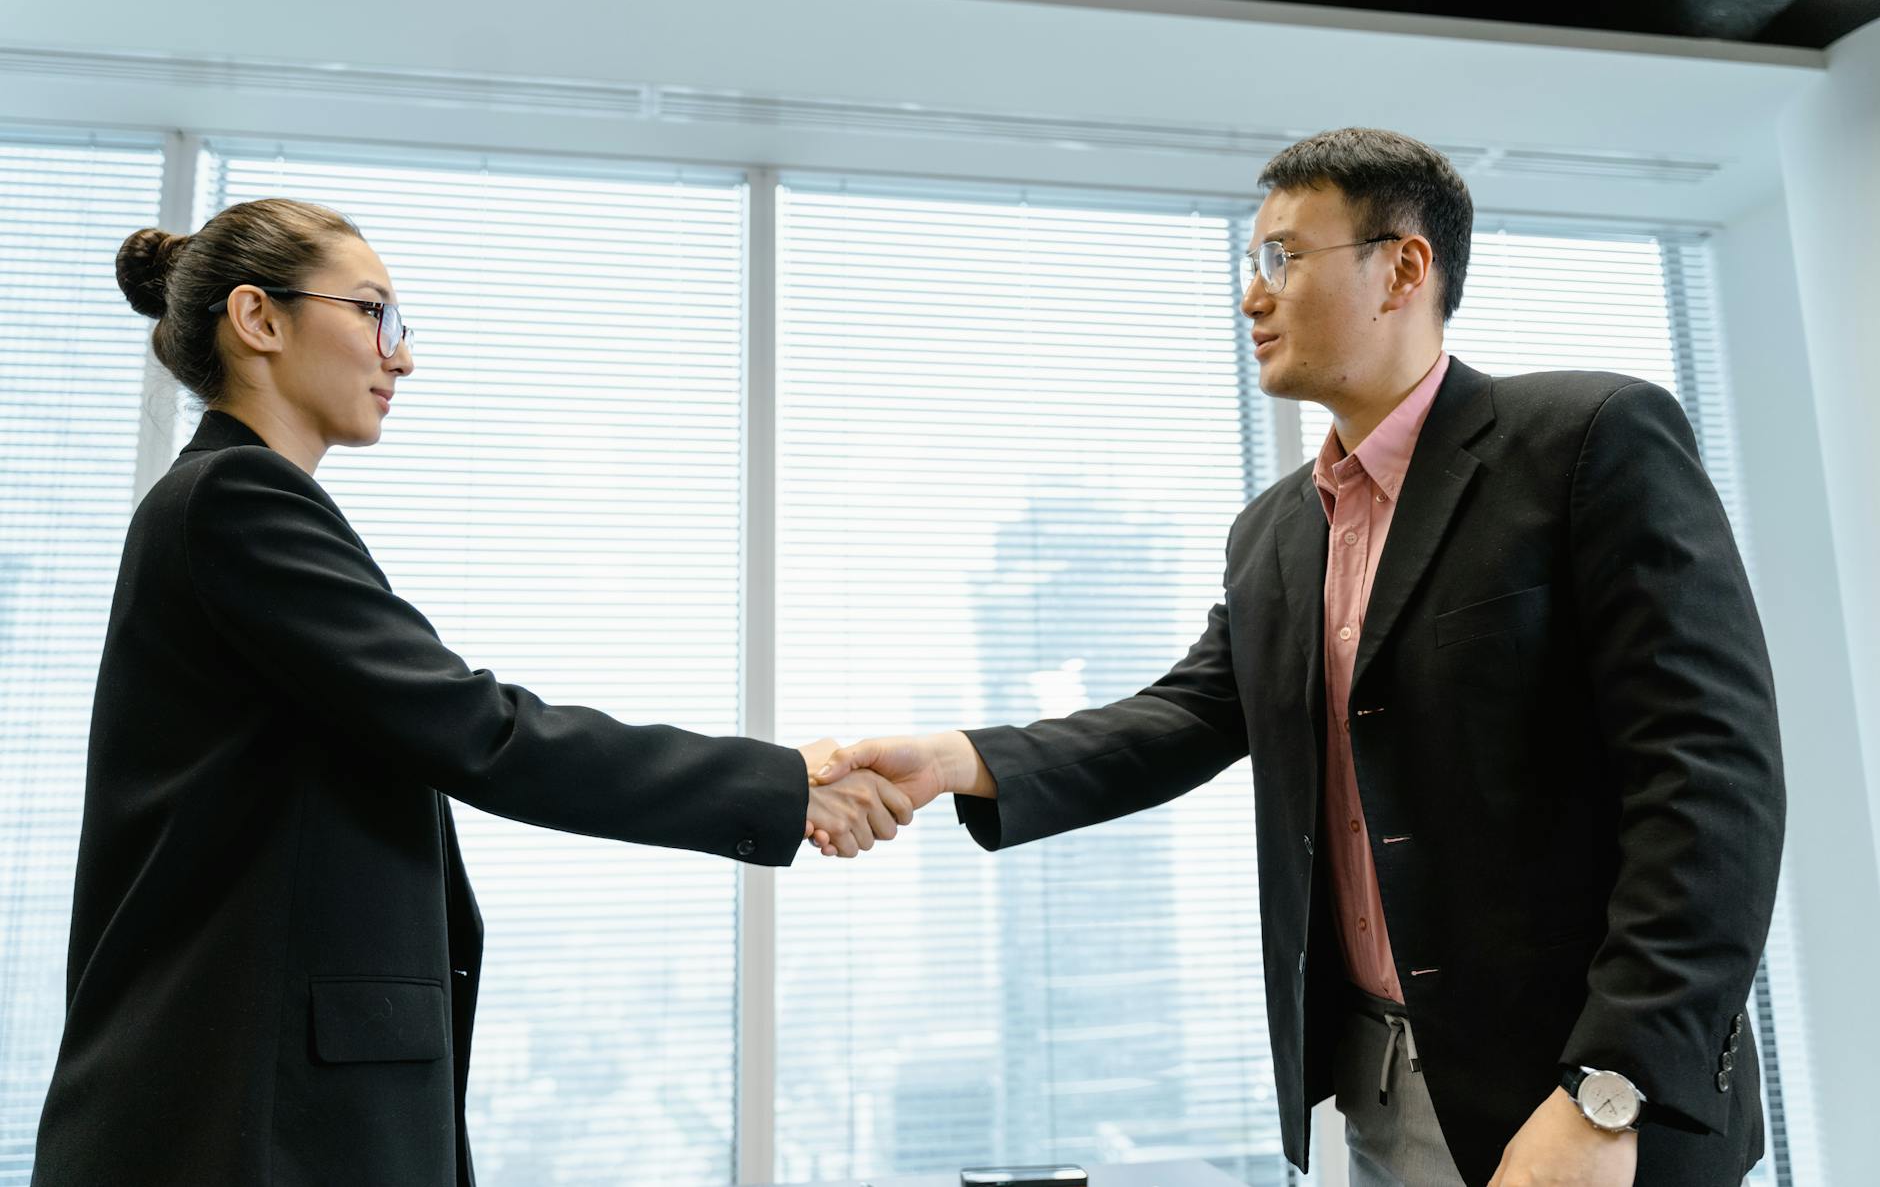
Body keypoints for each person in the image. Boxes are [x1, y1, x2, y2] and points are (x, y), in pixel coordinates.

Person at [813, 128, 1785, 1187]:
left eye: (1281, 257)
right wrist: (957, 758)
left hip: (1584, 1094)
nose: (1249, 296)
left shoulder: (1587, 437)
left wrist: (1607, 1089)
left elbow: (1711, 782)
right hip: (1382, 1085)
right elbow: (1187, 713)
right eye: (1248, 262)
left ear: (1401, 268)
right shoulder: (1275, 530)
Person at [30, 198, 911, 1187]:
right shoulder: (238, 499)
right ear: (258, 319)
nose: (400, 357)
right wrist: (782, 782)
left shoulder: (233, 505)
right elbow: (474, 729)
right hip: (250, 1114)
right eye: (374, 312)